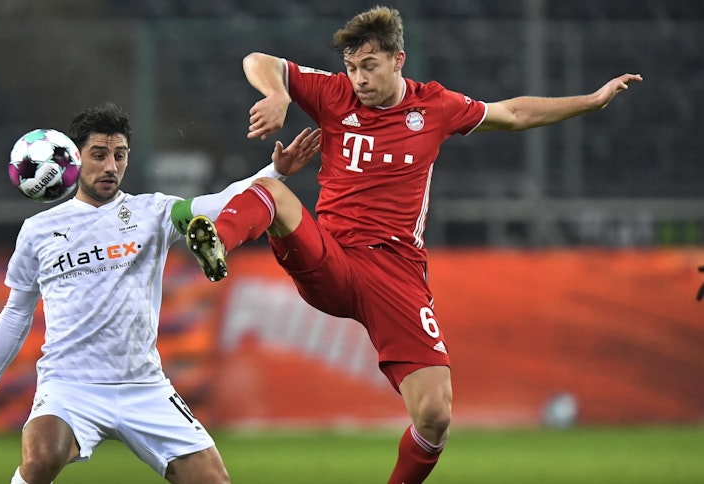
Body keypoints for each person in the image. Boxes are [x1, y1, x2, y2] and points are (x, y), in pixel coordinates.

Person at [184, 6, 643, 483]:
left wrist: (591, 100)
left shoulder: (435, 107)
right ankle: (217, 239)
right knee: (276, 192)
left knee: (435, 415)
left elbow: (513, 112)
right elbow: (258, 59)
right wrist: (278, 93)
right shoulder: (333, 94)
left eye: (370, 66)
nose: (358, 79)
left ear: (398, 59)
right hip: (332, 257)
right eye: (352, 68)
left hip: (396, 274)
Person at [0, 102, 320, 484]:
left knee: (214, 481)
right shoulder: (39, 230)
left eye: (120, 155)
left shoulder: (154, 212)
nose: (111, 166)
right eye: (99, 155)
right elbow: (16, 312)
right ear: (74, 159)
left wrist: (275, 172)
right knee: (40, 460)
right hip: (69, 385)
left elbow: (218, 203)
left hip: (144, 386)